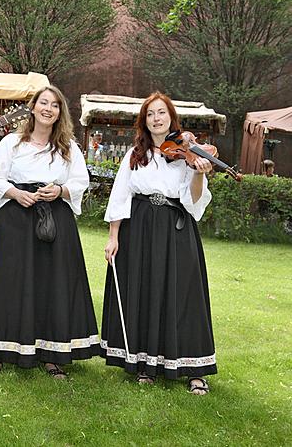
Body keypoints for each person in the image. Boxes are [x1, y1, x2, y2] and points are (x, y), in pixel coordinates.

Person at [100, 92, 216, 395]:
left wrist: (199, 175)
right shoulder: (135, 154)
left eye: (161, 112)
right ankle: (146, 365)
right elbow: (121, 195)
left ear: (171, 117)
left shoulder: (187, 153)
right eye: (150, 113)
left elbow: (194, 203)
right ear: (144, 120)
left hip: (176, 227)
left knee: (184, 295)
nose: (156, 118)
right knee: (146, 291)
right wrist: (113, 236)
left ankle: (195, 370)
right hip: (139, 227)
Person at [0, 85, 99, 379]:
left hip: (55, 221)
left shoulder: (69, 147)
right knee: (9, 282)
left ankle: (52, 355)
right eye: (43, 103)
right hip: (15, 220)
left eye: (55, 105)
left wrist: (60, 190)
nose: (48, 109)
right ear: (33, 108)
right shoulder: (11, 143)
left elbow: (80, 181)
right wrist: (14, 193)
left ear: (61, 112)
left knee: (51, 285)